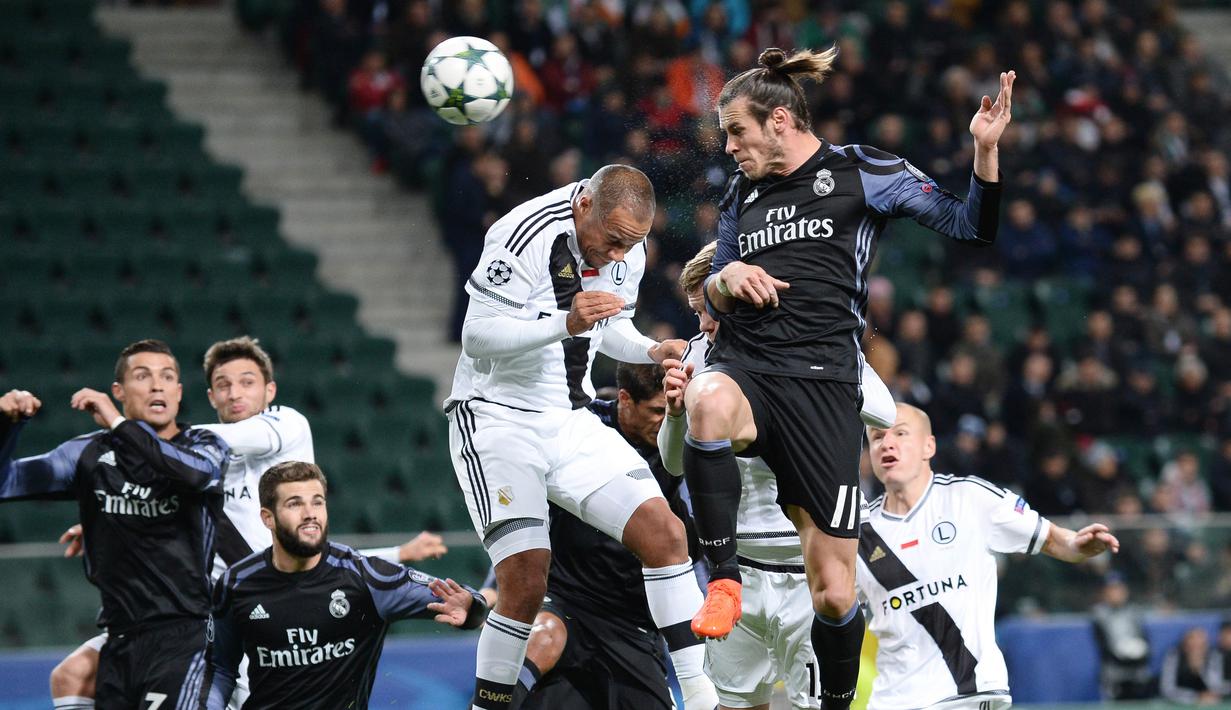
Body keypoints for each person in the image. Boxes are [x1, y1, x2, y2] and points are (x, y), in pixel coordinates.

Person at [682, 46, 1012, 708]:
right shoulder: (740, 193)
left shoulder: (863, 171)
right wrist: (725, 279)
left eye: (736, 132)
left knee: (833, 593)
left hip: (826, 385)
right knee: (706, 402)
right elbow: (710, 292)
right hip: (749, 367)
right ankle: (722, 581)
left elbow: (970, 226)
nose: (728, 148)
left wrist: (982, 153)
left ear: (779, 120)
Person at [48, 335, 448, 710]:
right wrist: (109, 517)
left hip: (282, 610)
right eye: (223, 385)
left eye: (247, 382)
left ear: (269, 391)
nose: (235, 393)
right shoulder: (193, 463)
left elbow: (315, 553)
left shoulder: (283, 425)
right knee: (71, 675)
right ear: (210, 396)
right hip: (223, 614)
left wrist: (130, 429)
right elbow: (170, 509)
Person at [446, 163, 711, 710]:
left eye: (631, 245)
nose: (619, 256)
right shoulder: (522, 234)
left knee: (665, 535)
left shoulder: (625, 244)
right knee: (524, 580)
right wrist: (562, 324)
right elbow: (475, 338)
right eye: (613, 241)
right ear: (583, 204)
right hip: (496, 419)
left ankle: (705, 700)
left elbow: (609, 324)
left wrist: (648, 350)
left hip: (567, 417)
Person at [661, 242, 895, 709]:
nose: (704, 325)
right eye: (696, 313)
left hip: (805, 567)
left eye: (710, 311)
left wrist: (798, 382)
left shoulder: (815, 340)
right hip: (738, 567)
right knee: (735, 704)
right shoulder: (698, 356)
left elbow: (884, 413)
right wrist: (673, 415)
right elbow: (671, 463)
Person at [0, 339, 229, 709]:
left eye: (167, 377)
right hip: (119, 639)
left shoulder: (204, 446)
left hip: (185, 637)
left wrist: (119, 423)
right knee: (67, 675)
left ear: (179, 391)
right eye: (143, 376)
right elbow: (6, 483)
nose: (157, 385)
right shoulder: (88, 454)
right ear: (119, 391)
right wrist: (7, 426)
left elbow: (191, 476)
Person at [859, 403, 1120, 709]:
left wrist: (1077, 544)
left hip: (968, 695)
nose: (887, 443)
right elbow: (831, 611)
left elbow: (1050, 538)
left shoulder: (969, 497)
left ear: (928, 446)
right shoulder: (857, 533)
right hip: (893, 701)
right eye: (877, 437)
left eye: (900, 433)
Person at [488, 362, 716, 709]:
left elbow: (692, 545)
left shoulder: (679, 439)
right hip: (567, 599)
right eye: (657, 410)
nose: (665, 419)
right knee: (542, 636)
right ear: (625, 399)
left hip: (633, 620)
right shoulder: (581, 427)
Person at [205, 461, 487, 709]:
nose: (310, 513)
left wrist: (470, 609)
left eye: (317, 501)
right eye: (294, 504)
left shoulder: (366, 577)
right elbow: (220, 668)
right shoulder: (237, 583)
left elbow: (469, 604)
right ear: (268, 517)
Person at [1159, 627, 1223, 705]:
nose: (1196, 646)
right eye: (1192, 643)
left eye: (1201, 645)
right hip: (1178, 704)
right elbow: (1167, 690)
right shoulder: (1173, 656)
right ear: (1185, 644)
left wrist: (1199, 669)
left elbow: (1215, 687)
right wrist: (1196, 697)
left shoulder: (1213, 656)